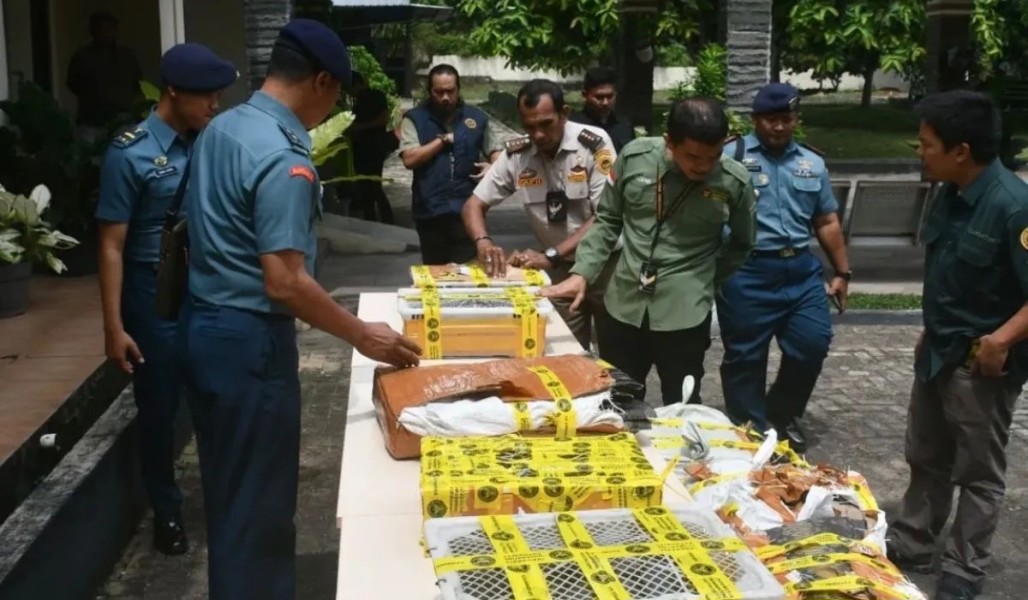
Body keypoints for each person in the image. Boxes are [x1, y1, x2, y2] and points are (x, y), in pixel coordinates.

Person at [177, 19, 421, 599]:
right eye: (336, 95)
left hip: (205, 327)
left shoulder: (224, 127)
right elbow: (285, 281)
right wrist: (361, 333)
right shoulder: (285, 157)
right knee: (259, 508)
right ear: (320, 82)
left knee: (230, 495)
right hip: (249, 342)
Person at [95, 43, 236, 556]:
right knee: (158, 408)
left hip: (207, 287)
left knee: (217, 397)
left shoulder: (211, 142)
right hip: (152, 295)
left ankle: (225, 503)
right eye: (206, 97)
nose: (214, 105)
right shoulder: (128, 153)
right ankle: (167, 512)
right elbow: (111, 245)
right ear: (173, 92)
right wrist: (114, 328)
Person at [887, 90, 1028, 600]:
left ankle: (964, 570)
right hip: (938, 351)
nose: (920, 152)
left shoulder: (1013, 206)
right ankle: (913, 540)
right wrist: (932, 328)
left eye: (927, 144)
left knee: (978, 471)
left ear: (961, 150)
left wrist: (1001, 339)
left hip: (980, 364)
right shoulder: (950, 192)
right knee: (926, 454)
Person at [542, 97, 756, 405]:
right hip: (623, 305)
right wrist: (583, 272)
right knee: (618, 400)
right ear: (670, 142)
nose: (703, 166)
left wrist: (705, 278)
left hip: (685, 312)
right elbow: (608, 219)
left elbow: (742, 243)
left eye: (714, 156)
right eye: (693, 156)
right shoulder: (634, 158)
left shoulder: (734, 181)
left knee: (682, 404)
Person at [717, 83, 851, 452]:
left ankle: (781, 412)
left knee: (812, 344)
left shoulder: (812, 162)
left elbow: (826, 221)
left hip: (800, 271)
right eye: (771, 119)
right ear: (755, 119)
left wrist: (842, 272)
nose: (779, 127)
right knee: (746, 356)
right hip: (747, 271)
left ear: (796, 119)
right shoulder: (729, 156)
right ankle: (750, 427)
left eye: (786, 119)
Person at [462, 79, 618, 350]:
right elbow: (473, 205)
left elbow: (604, 215)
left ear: (564, 113)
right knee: (565, 352)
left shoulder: (594, 144)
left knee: (617, 356)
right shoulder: (517, 154)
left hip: (606, 267)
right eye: (529, 126)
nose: (539, 135)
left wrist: (550, 255)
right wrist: (483, 242)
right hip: (559, 271)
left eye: (546, 124)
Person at [399, 64, 503, 264]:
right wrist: (443, 140)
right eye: (439, 92)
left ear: (458, 89)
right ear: (430, 91)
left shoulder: (477, 118)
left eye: (450, 91)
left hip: (468, 210)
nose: (445, 97)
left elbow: (497, 153)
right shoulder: (415, 119)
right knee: (436, 272)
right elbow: (409, 159)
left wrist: (492, 167)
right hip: (430, 211)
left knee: (468, 270)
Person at [66, 9, 144, 142]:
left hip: (122, 120)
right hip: (91, 121)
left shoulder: (126, 56)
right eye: (102, 29)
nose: (107, 33)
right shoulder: (82, 57)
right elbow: (72, 84)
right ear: (92, 31)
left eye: (110, 29)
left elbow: (138, 83)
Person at [346, 71, 397, 224]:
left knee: (374, 185)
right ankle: (370, 218)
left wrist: (360, 127)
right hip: (361, 148)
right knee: (365, 186)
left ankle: (386, 218)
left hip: (374, 147)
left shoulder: (375, 96)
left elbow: (383, 118)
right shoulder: (356, 101)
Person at [569, 66, 634, 152]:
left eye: (610, 96)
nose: (605, 103)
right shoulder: (573, 126)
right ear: (585, 95)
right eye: (599, 97)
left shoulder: (624, 125)